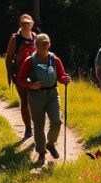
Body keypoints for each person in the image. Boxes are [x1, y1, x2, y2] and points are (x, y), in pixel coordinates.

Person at [16, 33, 71, 166]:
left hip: (52, 94)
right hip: (36, 97)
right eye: (42, 44)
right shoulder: (30, 60)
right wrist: (31, 85)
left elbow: (61, 75)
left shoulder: (54, 59)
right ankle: (41, 153)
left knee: (57, 121)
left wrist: (65, 79)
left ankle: (50, 143)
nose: (45, 47)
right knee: (39, 125)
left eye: (47, 44)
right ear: (37, 45)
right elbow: (20, 79)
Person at [5, 14, 38, 139]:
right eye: (23, 23)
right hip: (20, 74)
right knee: (25, 100)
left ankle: (37, 126)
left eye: (28, 23)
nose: (26, 25)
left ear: (32, 24)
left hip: (35, 74)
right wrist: (10, 74)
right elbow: (8, 58)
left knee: (35, 101)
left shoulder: (36, 37)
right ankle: (28, 128)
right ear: (20, 24)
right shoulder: (15, 39)